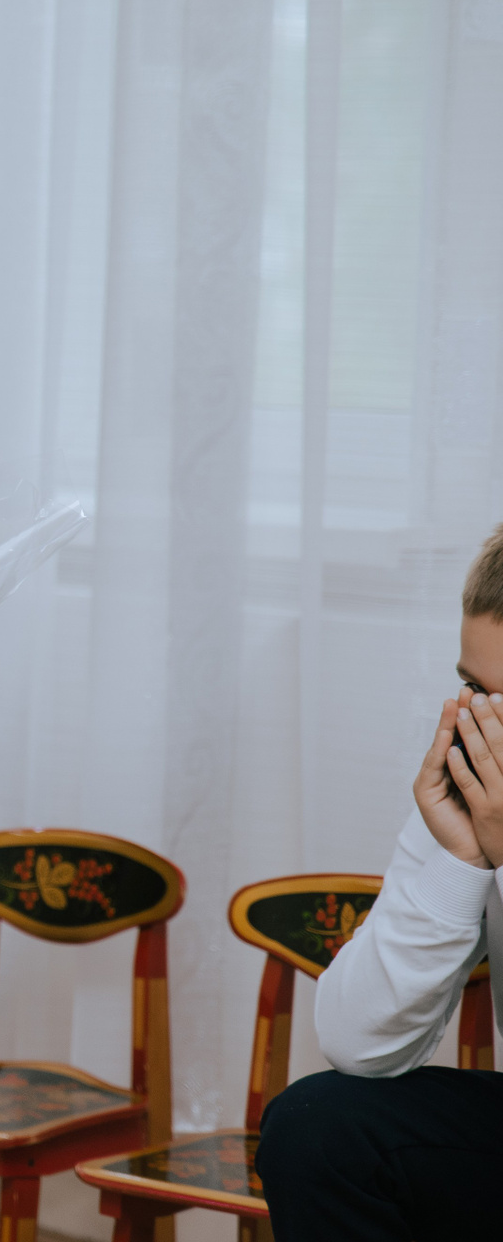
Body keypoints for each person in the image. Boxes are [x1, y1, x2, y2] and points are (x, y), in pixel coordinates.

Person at [255, 525, 503, 1240]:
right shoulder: (478, 791)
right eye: (474, 690)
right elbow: (357, 1043)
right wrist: (463, 863)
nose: (484, 728)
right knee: (316, 1128)